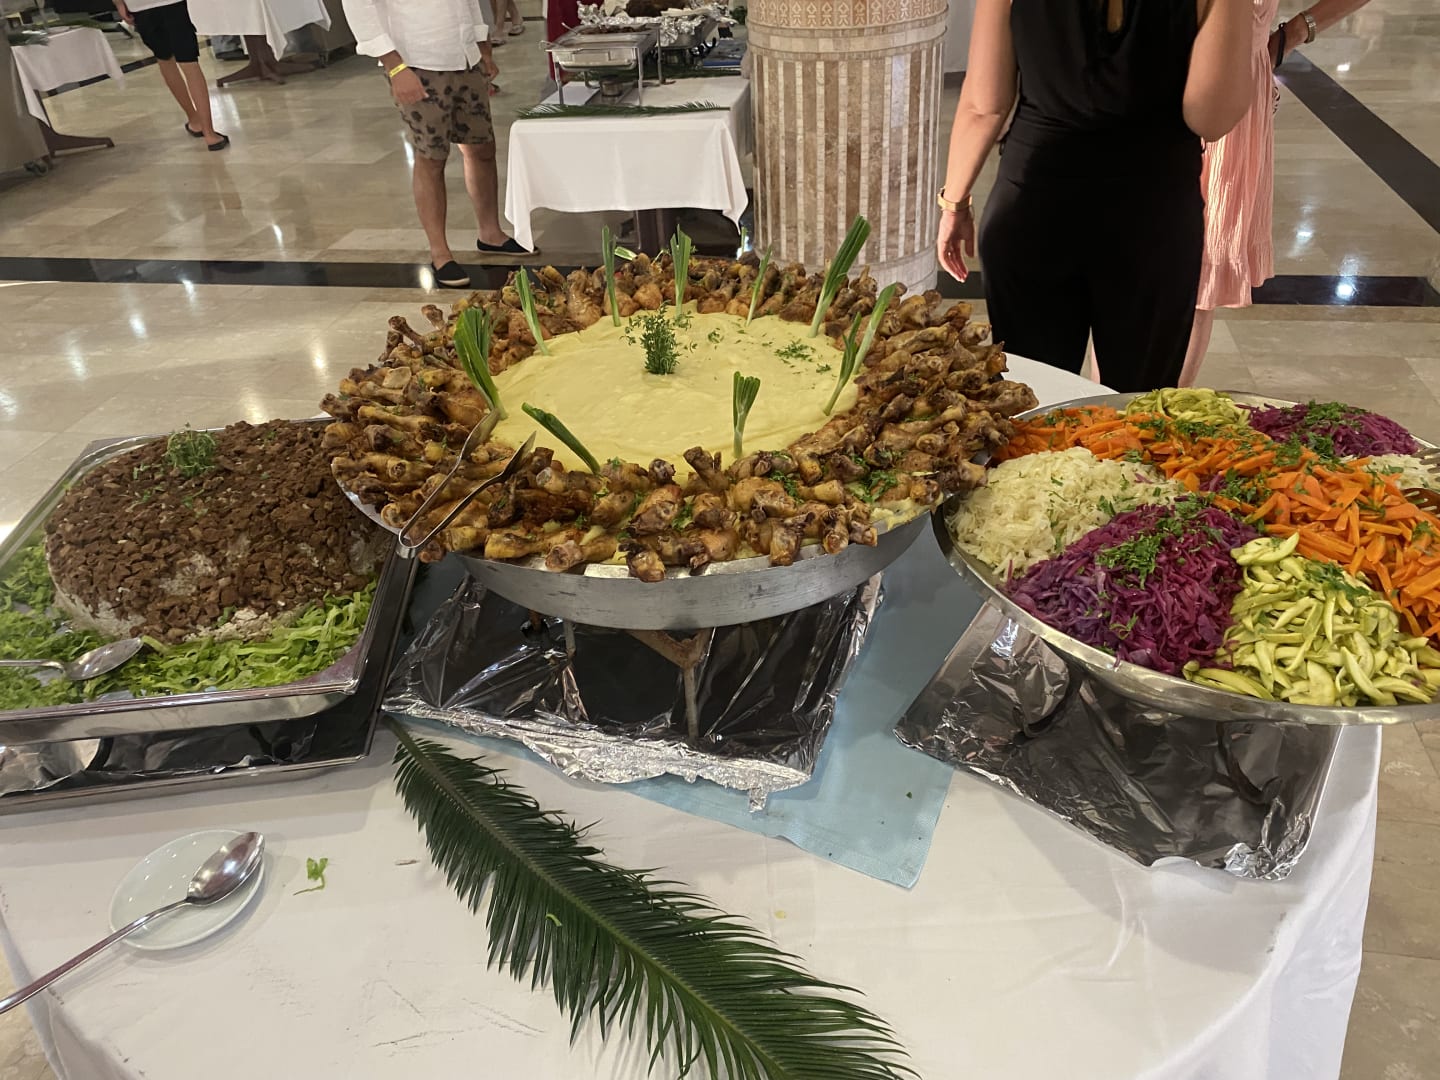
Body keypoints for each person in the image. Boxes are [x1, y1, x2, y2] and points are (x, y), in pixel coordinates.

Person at [936, 0, 1253, 393]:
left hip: (1034, 206)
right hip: (1153, 216)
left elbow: (984, 107)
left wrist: (955, 204)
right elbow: (1210, 117)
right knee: (1138, 405)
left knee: (1034, 398)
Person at [1179, 0, 1376, 387]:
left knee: (1197, 273)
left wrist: (1295, 32)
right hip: (1129, 90)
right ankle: (1108, 407)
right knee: (1127, 269)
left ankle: (1147, 413)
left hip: (1227, 96)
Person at [342, 0, 533, 290]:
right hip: (416, 60)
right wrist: (394, 66)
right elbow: (359, 6)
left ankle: (490, 233)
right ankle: (440, 253)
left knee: (481, 147)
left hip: (464, 55)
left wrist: (481, 45)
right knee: (431, 156)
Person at [112, 0, 228, 150]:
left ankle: (194, 120)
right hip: (172, 3)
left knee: (165, 59)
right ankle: (210, 134)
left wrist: (119, 3)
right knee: (189, 63)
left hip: (139, 6)